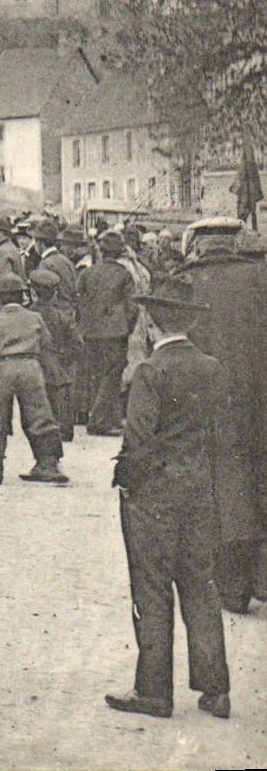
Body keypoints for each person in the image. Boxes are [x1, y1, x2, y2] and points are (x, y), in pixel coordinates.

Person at [106, 274, 231, 721]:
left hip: (154, 497)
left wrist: (125, 481)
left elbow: (138, 440)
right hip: (198, 491)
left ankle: (154, 691)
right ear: (189, 324)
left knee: (153, 589)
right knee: (201, 586)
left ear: (151, 323)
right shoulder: (211, 367)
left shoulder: (150, 372)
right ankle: (216, 690)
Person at [179, 220, 267, 615]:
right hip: (259, 402)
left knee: (217, 490)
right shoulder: (260, 278)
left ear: (198, 244)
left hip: (206, 405)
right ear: (234, 242)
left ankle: (231, 587)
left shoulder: (182, 284)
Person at [0, 271, 67, 485]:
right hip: (31, 367)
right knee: (40, 415)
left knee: (0, 419)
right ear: (22, 295)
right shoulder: (34, 317)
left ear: (0, 297)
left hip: (4, 367)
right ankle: (48, 465)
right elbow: (46, 342)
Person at [78, 230, 136, 436]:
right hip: (115, 332)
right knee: (112, 376)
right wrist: (126, 327)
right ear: (119, 253)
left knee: (97, 375)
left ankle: (108, 418)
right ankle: (99, 421)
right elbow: (132, 306)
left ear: (102, 252)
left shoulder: (87, 273)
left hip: (90, 332)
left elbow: (80, 302)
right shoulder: (124, 275)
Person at [28, 268, 83, 445]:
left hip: (34, 369)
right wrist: (62, 359)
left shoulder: (28, 316)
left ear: (33, 292)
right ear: (54, 294)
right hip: (57, 369)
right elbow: (77, 345)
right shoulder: (61, 317)